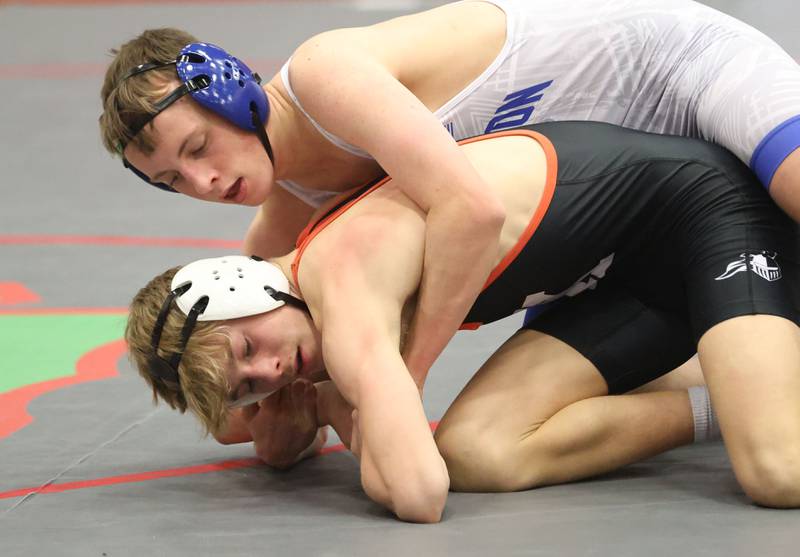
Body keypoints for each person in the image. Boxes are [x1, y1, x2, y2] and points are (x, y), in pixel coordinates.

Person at [100, 0, 800, 413]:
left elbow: (472, 209)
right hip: (621, 204)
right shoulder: (283, 214)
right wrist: (277, 410)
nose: (204, 182)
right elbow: (229, 384)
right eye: (172, 182)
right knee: (564, 403)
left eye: (197, 147)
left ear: (226, 88)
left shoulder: (325, 77)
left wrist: (407, 372)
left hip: (675, 71)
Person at [126, 122, 800, 523]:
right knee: (478, 448)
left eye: (250, 346)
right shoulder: (290, 301)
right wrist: (265, 409)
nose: (271, 370)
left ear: (248, 285)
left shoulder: (346, 285)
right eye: (250, 381)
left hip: (706, 218)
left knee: (776, 469)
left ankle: (762, 381)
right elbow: (242, 430)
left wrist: (333, 404)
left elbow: (420, 493)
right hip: (626, 283)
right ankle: (722, 399)